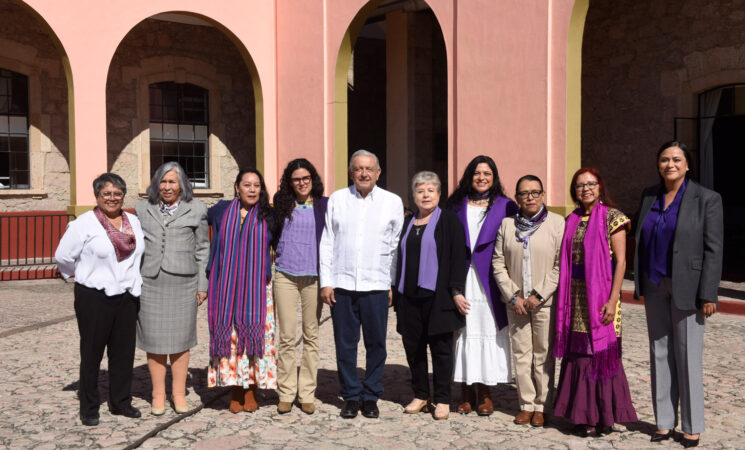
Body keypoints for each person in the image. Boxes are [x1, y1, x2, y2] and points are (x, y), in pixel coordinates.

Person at [633, 141, 723, 448]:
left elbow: (713, 249)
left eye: (676, 159)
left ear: (687, 165)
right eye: (664, 159)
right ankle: (664, 422)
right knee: (659, 351)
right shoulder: (649, 195)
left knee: (687, 356)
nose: (669, 164)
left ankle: (692, 425)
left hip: (689, 285)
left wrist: (708, 293)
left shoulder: (706, 199)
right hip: (655, 282)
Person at [553, 167, 638, 437]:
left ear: (600, 186)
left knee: (599, 353)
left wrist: (613, 300)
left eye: (590, 183)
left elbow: (622, 262)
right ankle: (580, 414)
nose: (585, 189)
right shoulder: (572, 219)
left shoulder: (613, 218)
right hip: (575, 298)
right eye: (579, 185)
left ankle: (602, 415)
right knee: (579, 352)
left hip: (602, 297)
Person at [319, 149, 404, 419]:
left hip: (376, 285)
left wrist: (391, 283)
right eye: (358, 169)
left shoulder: (392, 202)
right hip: (342, 284)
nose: (364, 173)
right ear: (351, 172)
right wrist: (326, 281)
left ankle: (371, 395)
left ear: (378, 173)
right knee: (345, 344)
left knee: (376, 344)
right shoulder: (338, 199)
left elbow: (394, 247)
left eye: (369, 169)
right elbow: (327, 241)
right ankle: (351, 396)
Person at [55, 173, 145, 426]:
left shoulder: (134, 222)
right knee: (92, 352)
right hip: (94, 296)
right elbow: (63, 256)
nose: (112, 198)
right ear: (97, 196)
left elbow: (139, 256)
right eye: (106, 193)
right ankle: (89, 406)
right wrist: (86, 273)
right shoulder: (84, 224)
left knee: (123, 353)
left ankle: (120, 402)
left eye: (117, 193)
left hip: (127, 296)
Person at [135, 162, 209, 416]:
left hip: (184, 283)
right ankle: (157, 394)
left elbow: (202, 249)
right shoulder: (142, 209)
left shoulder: (197, 209)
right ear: (157, 184)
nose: (167, 187)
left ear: (182, 185)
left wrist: (202, 284)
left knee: (180, 341)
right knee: (153, 341)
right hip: (151, 282)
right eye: (163, 182)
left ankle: (178, 393)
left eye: (172, 182)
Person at [446, 155, 517, 416]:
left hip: (490, 280)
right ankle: (466, 390)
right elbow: (448, 246)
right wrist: (452, 288)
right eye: (477, 173)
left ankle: (486, 392)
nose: (482, 177)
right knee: (464, 332)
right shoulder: (455, 205)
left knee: (488, 330)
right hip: (462, 277)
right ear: (469, 176)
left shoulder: (506, 206)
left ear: (494, 177)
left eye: (487, 173)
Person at [393, 171, 467, 420]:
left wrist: (456, 290)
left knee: (441, 349)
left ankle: (443, 399)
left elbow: (458, 258)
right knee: (413, 348)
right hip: (409, 297)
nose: (425, 195)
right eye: (420, 191)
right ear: (413, 195)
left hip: (438, 297)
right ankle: (421, 394)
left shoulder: (449, 221)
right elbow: (397, 259)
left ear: (439, 193)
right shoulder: (407, 223)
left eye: (430, 190)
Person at [492, 175, 564, 427]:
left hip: (544, 300)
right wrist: (513, 295)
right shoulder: (507, 225)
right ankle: (526, 404)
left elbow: (559, 265)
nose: (530, 197)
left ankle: (542, 405)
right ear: (517, 198)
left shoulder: (557, 223)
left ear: (543, 195)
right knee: (522, 352)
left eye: (535, 192)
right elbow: (498, 263)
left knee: (543, 352)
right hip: (516, 302)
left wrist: (539, 295)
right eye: (524, 193)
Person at [205, 168, 276, 413]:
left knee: (255, 341)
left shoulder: (269, 215)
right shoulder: (221, 211)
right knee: (232, 342)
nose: (253, 189)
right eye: (247, 185)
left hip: (256, 291)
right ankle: (235, 390)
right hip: (225, 288)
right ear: (237, 187)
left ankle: (251, 390)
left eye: (257, 185)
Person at [272, 158, 328, 415]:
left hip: (314, 278)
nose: (302, 182)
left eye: (306, 178)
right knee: (285, 336)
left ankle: (306, 392)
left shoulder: (324, 205)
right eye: (296, 179)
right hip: (285, 275)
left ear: (312, 179)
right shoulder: (282, 204)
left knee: (311, 335)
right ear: (289, 182)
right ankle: (285, 392)